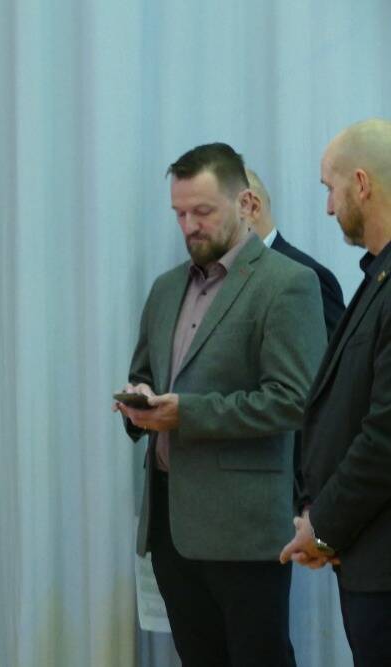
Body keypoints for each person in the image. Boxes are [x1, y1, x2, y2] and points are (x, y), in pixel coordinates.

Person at [116, 143, 326, 666]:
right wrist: (139, 402)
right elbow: (146, 374)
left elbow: (294, 401)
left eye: (202, 212)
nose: (189, 226)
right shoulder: (166, 288)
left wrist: (185, 413)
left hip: (245, 532)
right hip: (169, 528)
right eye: (179, 213)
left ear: (245, 203)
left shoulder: (288, 284)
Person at [280, 118, 391, 666]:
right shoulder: (377, 277)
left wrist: (323, 526)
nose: (328, 207)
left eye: (331, 187)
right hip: (368, 556)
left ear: (362, 184)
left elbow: (384, 437)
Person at [245, 167, 345, 338]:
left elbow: (336, 352)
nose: (198, 226)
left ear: (253, 208)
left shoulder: (307, 276)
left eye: (208, 212)